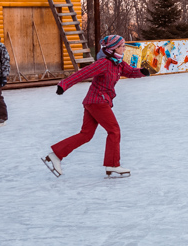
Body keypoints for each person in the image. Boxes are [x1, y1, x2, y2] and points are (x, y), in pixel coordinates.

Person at [43, 35, 148, 178]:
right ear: (113, 48)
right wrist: (63, 85)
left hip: (95, 101)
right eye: (122, 45)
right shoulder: (104, 63)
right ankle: (112, 164)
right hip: (98, 101)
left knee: (86, 135)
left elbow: (129, 72)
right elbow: (83, 73)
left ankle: (56, 155)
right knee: (114, 131)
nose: (124, 47)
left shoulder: (118, 63)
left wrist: (142, 71)